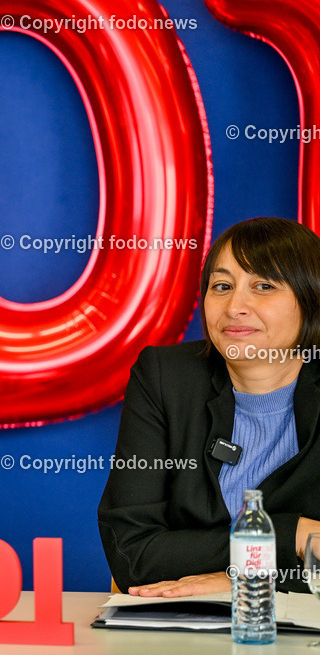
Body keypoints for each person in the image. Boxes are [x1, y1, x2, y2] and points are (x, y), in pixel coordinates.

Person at [98, 217, 320, 596]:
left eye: (263, 286)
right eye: (222, 286)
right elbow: (132, 552)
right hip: (181, 631)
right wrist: (290, 536)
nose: (235, 306)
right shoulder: (166, 377)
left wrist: (244, 579)